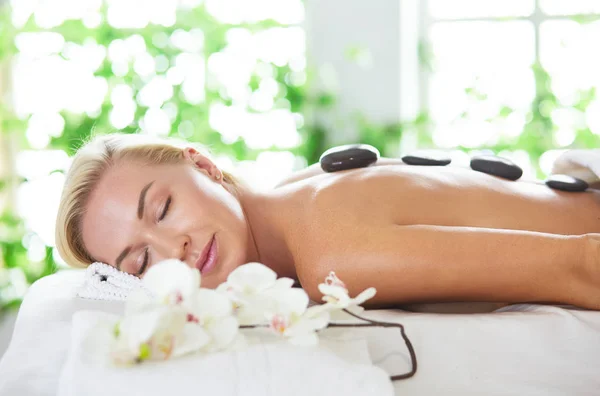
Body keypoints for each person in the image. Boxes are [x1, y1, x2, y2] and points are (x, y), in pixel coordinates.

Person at [55, 133, 600, 310]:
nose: (174, 248)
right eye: (141, 259)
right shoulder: (292, 198)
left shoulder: (330, 257)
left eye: (163, 209)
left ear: (202, 164)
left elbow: (583, 268)